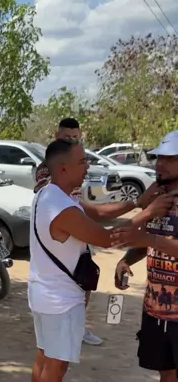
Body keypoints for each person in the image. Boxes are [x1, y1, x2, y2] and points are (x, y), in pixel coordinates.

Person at [27, 138, 170, 382]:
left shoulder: (52, 194)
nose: (87, 166)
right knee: (54, 368)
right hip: (59, 300)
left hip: (47, 295)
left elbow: (96, 213)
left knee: (45, 362)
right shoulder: (60, 206)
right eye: (81, 162)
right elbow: (107, 238)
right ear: (64, 168)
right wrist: (148, 213)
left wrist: (137, 203)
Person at [113, 131, 178, 382]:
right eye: (159, 158)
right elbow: (147, 237)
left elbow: (148, 237)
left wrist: (146, 237)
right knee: (168, 374)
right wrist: (127, 258)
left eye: (169, 159)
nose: (160, 165)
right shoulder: (160, 198)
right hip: (158, 304)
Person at [34, 116, 118, 346]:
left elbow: (81, 203)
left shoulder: (74, 164)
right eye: (67, 136)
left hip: (77, 229)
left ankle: (78, 325)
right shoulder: (48, 169)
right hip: (62, 232)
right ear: (57, 136)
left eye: (75, 137)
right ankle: (69, 327)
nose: (71, 140)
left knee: (85, 277)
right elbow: (54, 199)